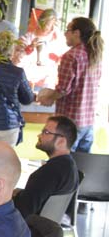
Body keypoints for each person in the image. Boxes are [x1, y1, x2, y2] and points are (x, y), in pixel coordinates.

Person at [37, 16, 103, 152]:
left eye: (67, 30)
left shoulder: (71, 56)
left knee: (64, 163)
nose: (65, 34)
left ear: (77, 33)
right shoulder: (95, 55)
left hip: (70, 122)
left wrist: (48, 98)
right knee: (82, 166)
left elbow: (63, 89)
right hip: (88, 121)